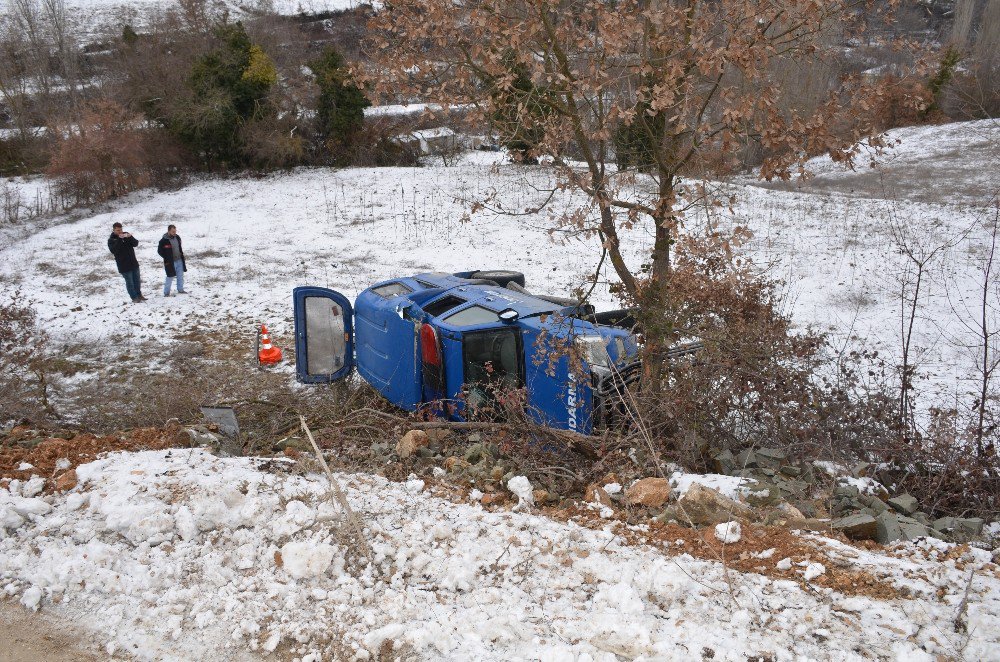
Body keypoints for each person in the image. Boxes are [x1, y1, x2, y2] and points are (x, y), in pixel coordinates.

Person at [107, 222, 145, 303]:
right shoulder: (111, 240)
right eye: (117, 230)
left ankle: (139, 295)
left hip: (133, 263)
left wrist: (130, 237)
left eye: (121, 229)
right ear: (113, 230)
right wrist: (120, 239)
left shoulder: (126, 235)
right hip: (123, 265)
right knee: (130, 282)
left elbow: (136, 243)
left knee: (137, 281)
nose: (120, 231)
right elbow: (114, 250)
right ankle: (134, 298)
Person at [157, 224, 188, 296]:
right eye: (173, 232)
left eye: (175, 231)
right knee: (170, 276)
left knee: (180, 276)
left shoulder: (177, 237)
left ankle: (180, 289)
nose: (174, 233)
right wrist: (167, 257)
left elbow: (179, 247)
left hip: (179, 260)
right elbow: (159, 251)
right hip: (170, 262)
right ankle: (166, 292)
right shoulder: (163, 240)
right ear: (168, 231)